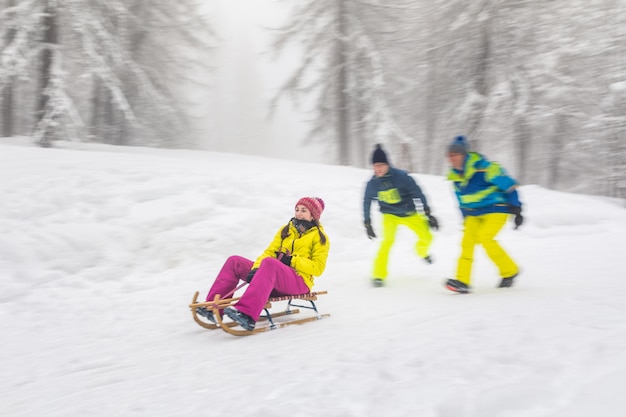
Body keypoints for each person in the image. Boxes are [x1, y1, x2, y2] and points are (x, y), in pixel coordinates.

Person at [196, 197, 330, 330]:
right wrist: (256, 269)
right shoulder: (286, 230)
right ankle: (212, 307)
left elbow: (318, 268)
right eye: (297, 209)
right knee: (235, 261)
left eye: (303, 210)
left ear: (313, 216)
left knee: (270, 263)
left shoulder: (320, 238)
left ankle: (247, 314)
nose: (298, 213)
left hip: (299, 282)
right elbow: (269, 252)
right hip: (273, 279)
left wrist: (292, 261)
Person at [445, 135, 524, 294]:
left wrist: (517, 209)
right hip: (473, 214)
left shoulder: (486, 168)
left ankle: (510, 271)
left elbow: (509, 186)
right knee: (466, 243)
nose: (452, 159)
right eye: (450, 156)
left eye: (456, 155)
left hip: (496, 208)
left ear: (464, 154)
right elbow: (461, 202)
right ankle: (462, 281)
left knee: (485, 237)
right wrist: (465, 219)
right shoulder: (456, 179)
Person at [363, 144, 439, 287]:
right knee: (387, 242)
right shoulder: (372, 184)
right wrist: (367, 223)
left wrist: (428, 213)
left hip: (410, 213)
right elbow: (366, 202)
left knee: (427, 237)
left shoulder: (402, 177)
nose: (378, 168)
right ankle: (378, 275)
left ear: (387, 164)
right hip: (389, 216)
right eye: (375, 165)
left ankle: (421, 252)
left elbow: (418, 193)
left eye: (381, 165)